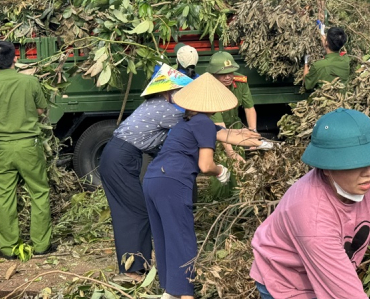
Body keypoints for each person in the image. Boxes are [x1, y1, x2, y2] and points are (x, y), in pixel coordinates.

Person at [100, 65, 261, 283]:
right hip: (119, 157)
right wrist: (236, 136)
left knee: (137, 210)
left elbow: (205, 127)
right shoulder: (163, 108)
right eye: (178, 91)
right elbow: (202, 127)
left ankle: (139, 268)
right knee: (135, 211)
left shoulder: (164, 105)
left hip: (124, 156)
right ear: (167, 91)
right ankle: (132, 271)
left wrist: (243, 134)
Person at [250, 108, 370, 299]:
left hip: (331, 268)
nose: (368, 172)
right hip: (287, 281)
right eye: (355, 163)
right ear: (326, 168)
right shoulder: (312, 214)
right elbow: (346, 294)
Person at [143, 73, 266, 299]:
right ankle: (186, 294)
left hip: (152, 179)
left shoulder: (187, 122)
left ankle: (170, 291)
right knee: (183, 239)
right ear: (214, 103)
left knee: (165, 237)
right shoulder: (204, 124)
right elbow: (205, 164)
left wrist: (253, 137)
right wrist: (221, 171)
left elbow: (223, 133)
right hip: (173, 183)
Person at [0, 41, 52, 259]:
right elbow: (41, 109)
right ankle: (42, 246)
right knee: (39, 193)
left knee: (5, 196)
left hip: (3, 149)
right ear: (16, 59)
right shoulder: (30, 82)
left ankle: (8, 248)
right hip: (29, 146)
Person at [207, 51, 257, 161]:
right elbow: (219, 124)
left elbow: (249, 108)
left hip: (235, 128)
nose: (228, 77)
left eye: (231, 72)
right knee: (224, 166)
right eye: (223, 74)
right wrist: (230, 152)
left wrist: (253, 134)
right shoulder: (209, 88)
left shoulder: (240, 82)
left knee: (241, 167)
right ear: (213, 74)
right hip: (216, 133)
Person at [303, 27, 351, 91]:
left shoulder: (318, 66)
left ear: (326, 43)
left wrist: (306, 63)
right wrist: (323, 35)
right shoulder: (346, 59)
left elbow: (307, 84)